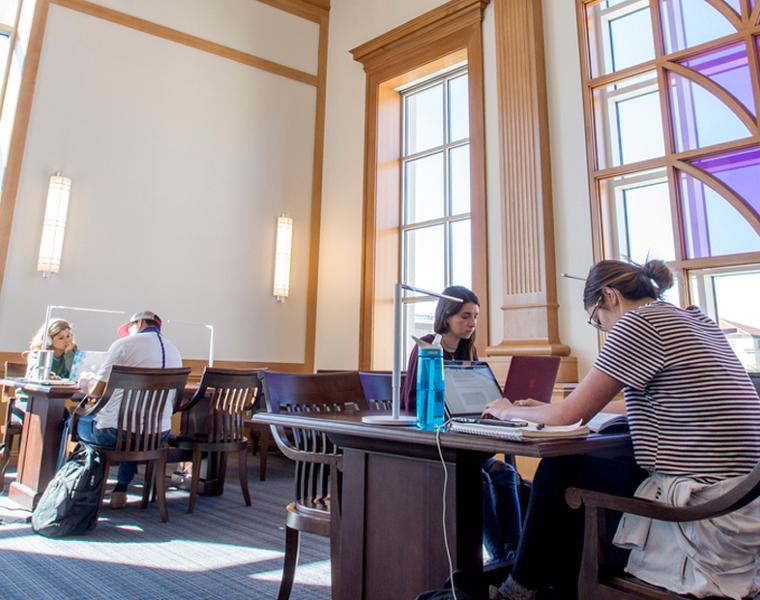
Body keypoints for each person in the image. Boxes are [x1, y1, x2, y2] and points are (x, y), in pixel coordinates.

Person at [485, 259, 760, 600]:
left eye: (597, 320)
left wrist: (505, 408)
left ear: (609, 296)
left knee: (561, 471)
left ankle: (520, 589)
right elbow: (631, 402)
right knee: (593, 467)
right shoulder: (692, 319)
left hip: (707, 507)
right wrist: (541, 409)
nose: (604, 330)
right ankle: (541, 585)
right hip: (744, 498)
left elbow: (573, 413)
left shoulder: (637, 324)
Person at [402, 286, 523, 564]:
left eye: (475, 317)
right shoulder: (426, 346)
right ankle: (499, 557)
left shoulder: (469, 351)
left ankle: (513, 556)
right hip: (438, 444)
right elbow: (411, 402)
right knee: (479, 479)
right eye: (465, 317)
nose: (471, 323)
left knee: (504, 473)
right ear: (447, 317)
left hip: (467, 440)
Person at [77, 310, 182, 509]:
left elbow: (97, 391)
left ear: (140, 322)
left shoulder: (124, 345)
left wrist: (87, 381)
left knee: (72, 422)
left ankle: (75, 489)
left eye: (130, 327)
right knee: (135, 427)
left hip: (116, 433)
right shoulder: (174, 350)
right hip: (158, 434)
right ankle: (121, 488)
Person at [13, 319, 78, 425]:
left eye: (68, 336)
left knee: (66, 418)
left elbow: (75, 373)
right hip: (29, 401)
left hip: (53, 403)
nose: (67, 341)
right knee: (46, 418)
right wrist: (49, 376)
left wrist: (69, 355)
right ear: (49, 340)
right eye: (61, 338)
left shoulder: (71, 354)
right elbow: (36, 372)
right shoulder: (38, 354)